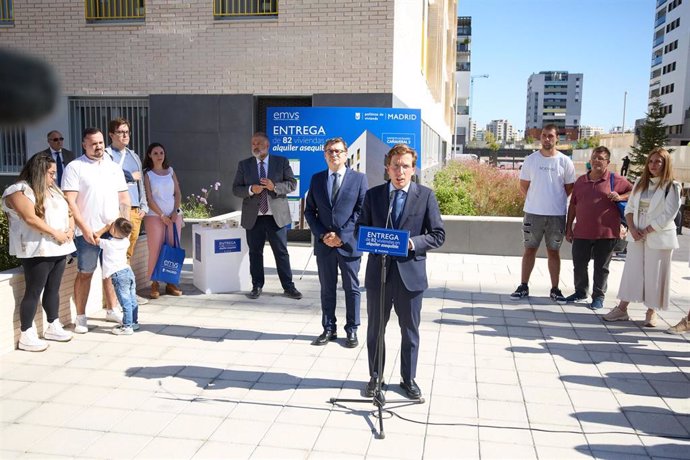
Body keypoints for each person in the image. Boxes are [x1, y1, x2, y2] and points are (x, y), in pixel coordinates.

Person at [356, 144, 445, 400]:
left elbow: (438, 235)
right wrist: (370, 239)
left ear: (413, 169)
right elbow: (360, 228)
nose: (400, 171)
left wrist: (412, 243)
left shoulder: (426, 196)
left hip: (410, 276)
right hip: (379, 275)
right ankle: (375, 377)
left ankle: (408, 379)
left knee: (410, 331)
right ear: (387, 168)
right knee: (375, 330)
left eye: (405, 166)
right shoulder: (373, 196)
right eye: (395, 165)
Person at [2, 152, 75, 351]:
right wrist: (56, 234)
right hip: (37, 249)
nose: (53, 177)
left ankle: (53, 325)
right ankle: (26, 333)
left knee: (53, 289)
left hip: (59, 247)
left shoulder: (54, 190)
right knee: (33, 291)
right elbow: (30, 218)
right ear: (38, 171)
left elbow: (69, 212)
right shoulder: (18, 190)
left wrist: (69, 229)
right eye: (50, 173)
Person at [62, 127, 130, 334]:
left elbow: (124, 200)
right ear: (84, 144)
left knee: (112, 272)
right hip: (87, 233)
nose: (98, 146)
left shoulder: (113, 167)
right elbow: (70, 202)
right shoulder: (75, 167)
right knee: (85, 273)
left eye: (100, 142)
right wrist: (85, 229)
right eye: (93, 143)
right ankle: (81, 317)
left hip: (112, 231)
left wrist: (123, 228)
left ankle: (112, 309)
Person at [603, 148, 681, 327]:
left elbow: (669, 213)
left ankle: (651, 311)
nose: (653, 165)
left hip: (658, 236)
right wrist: (632, 228)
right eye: (651, 161)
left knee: (655, 274)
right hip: (636, 234)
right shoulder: (640, 183)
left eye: (658, 162)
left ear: (665, 164)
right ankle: (622, 309)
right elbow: (629, 208)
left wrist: (646, 230)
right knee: (632, 271)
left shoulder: (672, 186)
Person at [304, 137, 368, 348]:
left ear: (346, 154)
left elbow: (360, 211)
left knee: (352, 289)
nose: (334, 155)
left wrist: (341, 235)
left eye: (338, 151)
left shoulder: (359, 179)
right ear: (324, 155)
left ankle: (352, 330)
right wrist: (323, 235)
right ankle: (329, 328)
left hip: (349, 244)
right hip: (325, 245)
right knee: (327, 289)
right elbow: (309, 211)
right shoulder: (316, 179)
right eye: (330, 151)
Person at [232, 132, 302, 300]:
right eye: (253, 143)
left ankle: (288, 286)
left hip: (275, 216)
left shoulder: (281, 162)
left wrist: (274, 186)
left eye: (259, 143)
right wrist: (250, 190)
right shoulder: (244, 165)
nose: (255, 146)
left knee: (281, 252)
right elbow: (236, 188)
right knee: (255, 252)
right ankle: (257, 285)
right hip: (254, 217)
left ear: (268, 145)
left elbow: (292, 184)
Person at [510, 124, 576, 302]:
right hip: (533, 214)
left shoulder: (565, 162)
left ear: (557, 139)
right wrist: (537, 201)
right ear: (540, 138)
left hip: (556, 215)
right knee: (529, 250)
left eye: (551, 136)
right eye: (544, 136)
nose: (547, 139)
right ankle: (523, 286)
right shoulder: (531, 160)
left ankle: (555, 289)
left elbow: (569, 188)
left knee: (553, 252)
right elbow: (524, 186)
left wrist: (553, 201)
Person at [564, 146, 632, 310]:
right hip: (582, 232)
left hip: (607, 233)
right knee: (579, 264)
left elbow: (634, 191)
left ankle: (598, 296)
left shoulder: (615, 180)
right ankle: (580, 292)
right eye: (594, 157)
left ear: (607, 162)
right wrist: (568, 228)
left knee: (601, 267)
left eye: (600, 158)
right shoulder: (581, 181)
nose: (596, 161)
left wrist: (620, 196)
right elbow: (573, 205)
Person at [105, 117, 149, 305]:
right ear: (111, 134)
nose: (124, 135)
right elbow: (111, 176)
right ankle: (114, 298)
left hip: (135, 210)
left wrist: (144, 205)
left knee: (128, 253)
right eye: (120, 132)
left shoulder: (133, 155)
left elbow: (140, 182)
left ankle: (128, 292)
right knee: (115, 255)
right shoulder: (107, 155)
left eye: (127, 132)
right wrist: (130, 175)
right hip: (117, 210)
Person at [143, 142, 183, 298]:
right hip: (155, 217)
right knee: (156, 249)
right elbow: (149, 198)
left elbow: (178, 193)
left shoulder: (170, 171)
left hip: (174, 217)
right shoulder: (148, 174)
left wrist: (175, 212)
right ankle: (154, 283)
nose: (159, 156)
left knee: (173, 248)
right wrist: (162, 216)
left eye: (161, 153)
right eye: (155, 153)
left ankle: (171, 282)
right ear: (149, 156)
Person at [94, 218, 139, 335]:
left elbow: (95, 239)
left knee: (125, 302)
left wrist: (105, 228)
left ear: (113, 229)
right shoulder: (126, 242)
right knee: (132, 300)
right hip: (128, 272)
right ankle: (134, 322)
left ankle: (127, 327)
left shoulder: (108, 243)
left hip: (119, 275)